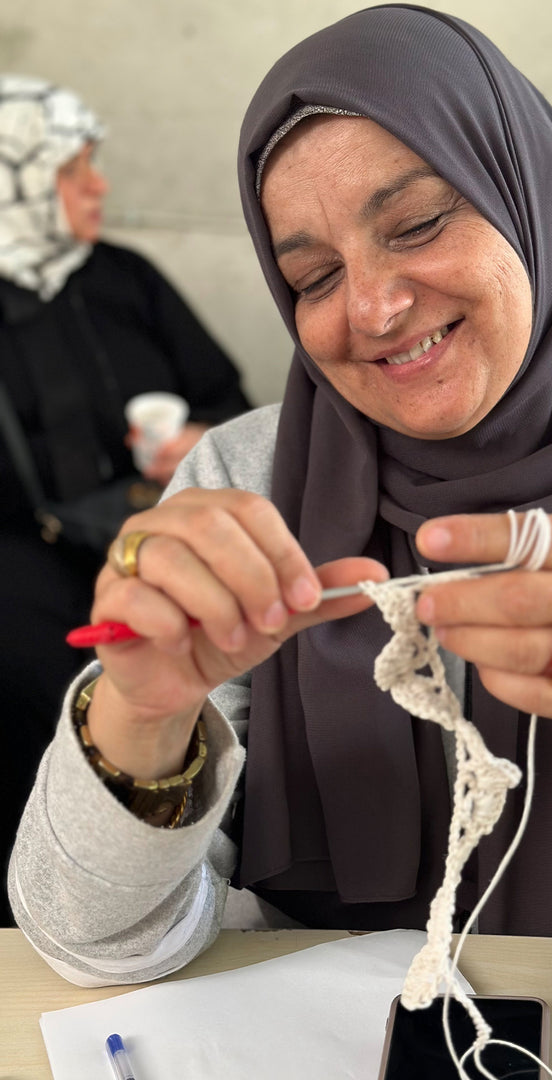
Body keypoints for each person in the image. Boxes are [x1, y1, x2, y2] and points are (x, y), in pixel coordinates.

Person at [8, 8, 552, 994]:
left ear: (533, 199)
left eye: (417, 223)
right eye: (314, 275)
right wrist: (141, 715)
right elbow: (97, 945)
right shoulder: (243, 481)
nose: (372, 308)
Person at [0, 75, 250, 925]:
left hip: (151, 544)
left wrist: (195, 442)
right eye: (75, 173)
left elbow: (228, 399)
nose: (99, 187)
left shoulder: (126, 280)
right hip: (21, 586)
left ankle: (160, 901)